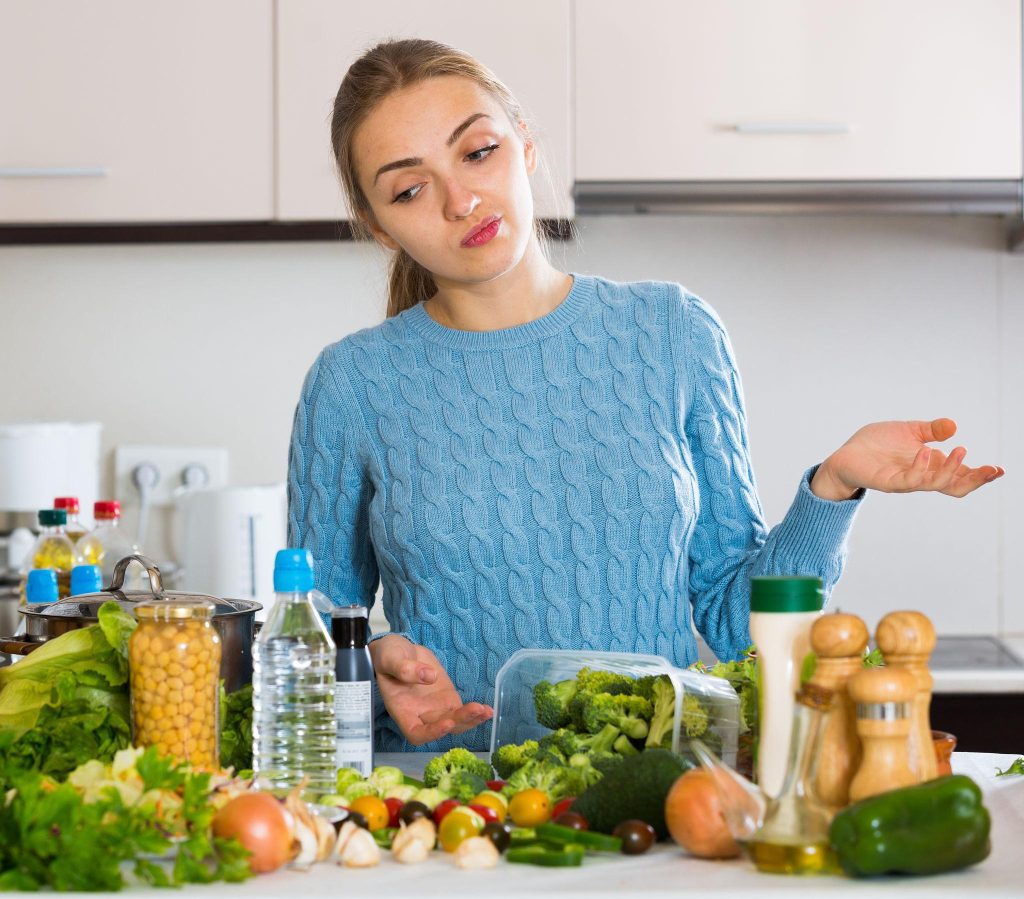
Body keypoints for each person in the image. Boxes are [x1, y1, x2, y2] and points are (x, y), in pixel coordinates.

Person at [287, 38, 1004, 753]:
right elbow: (307, 647)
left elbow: (738, 627)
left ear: (525, 145)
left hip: (660, 792)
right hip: (451, 807)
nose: (460, 200)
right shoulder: (353, 385)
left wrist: (833, 487)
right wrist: (369, 662)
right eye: (409, 190)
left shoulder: (673, 332)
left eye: (478, 152)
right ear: (379, 226)